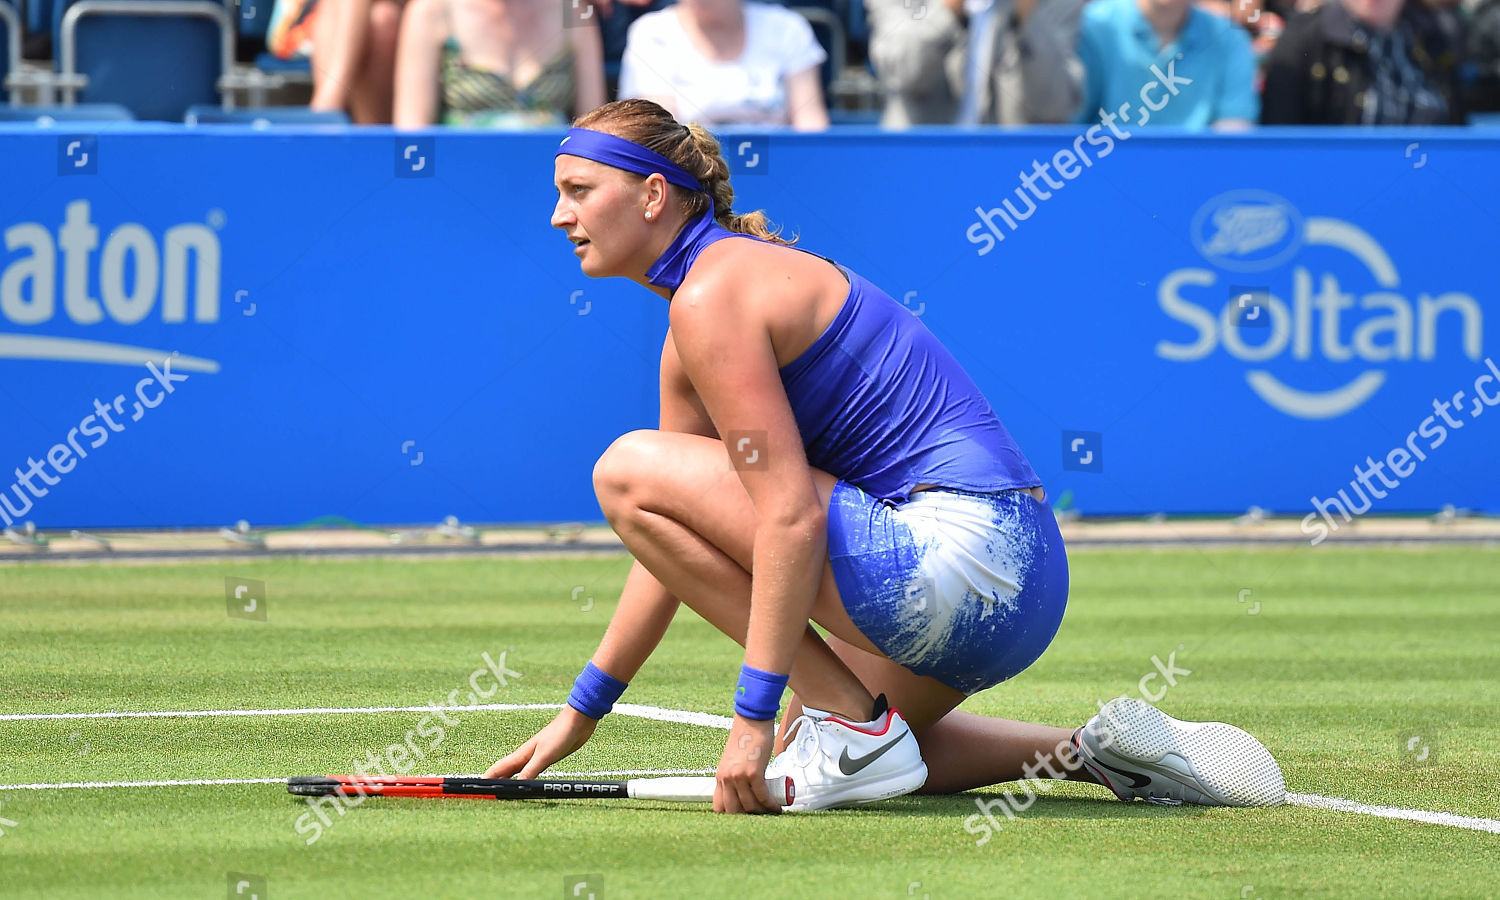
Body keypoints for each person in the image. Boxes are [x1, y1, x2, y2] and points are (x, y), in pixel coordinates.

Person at [487, 97, 1288, 814]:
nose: (559, 216)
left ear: (653, 194)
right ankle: (1088, 753)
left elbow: (787, 516)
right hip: (1028, 587)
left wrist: (751, 719)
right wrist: (582, 713)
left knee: (624, 467)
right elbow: (666, 545)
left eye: (579, 191)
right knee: (864, 762)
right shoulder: (706, 308)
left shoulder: (710, 295)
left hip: (958, 563)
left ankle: (852, 722)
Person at [866, 0, 1087, 127]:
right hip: (920, 167)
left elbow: (1055, 105)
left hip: (1014, 177)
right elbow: (902, 75)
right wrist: (949, 9)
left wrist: (1026, 19)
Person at [617, 0, 830, 130]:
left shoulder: (788, 28)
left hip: (783, 173)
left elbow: (811, 127)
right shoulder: (651, 34)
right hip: (691, 185)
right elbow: (662, 137)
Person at [392, 0, 607, 128]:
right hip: (459, 178)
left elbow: (594, 133)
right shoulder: (431, 11)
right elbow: (412, 137)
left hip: (554, 189)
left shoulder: (574, 11)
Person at [1260, 0, 1467, 124]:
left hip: (1427, 186)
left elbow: (1459, 130)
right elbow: (1281, 140)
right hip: (1336, 185)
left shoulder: (1436, 35)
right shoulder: (1305, 38)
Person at [1075, 0, 1259, 130]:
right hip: (1104, 171)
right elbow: (1070, 125)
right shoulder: (1093, 27)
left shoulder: (1229, 39)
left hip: (1198, 174)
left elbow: (1234, 129)